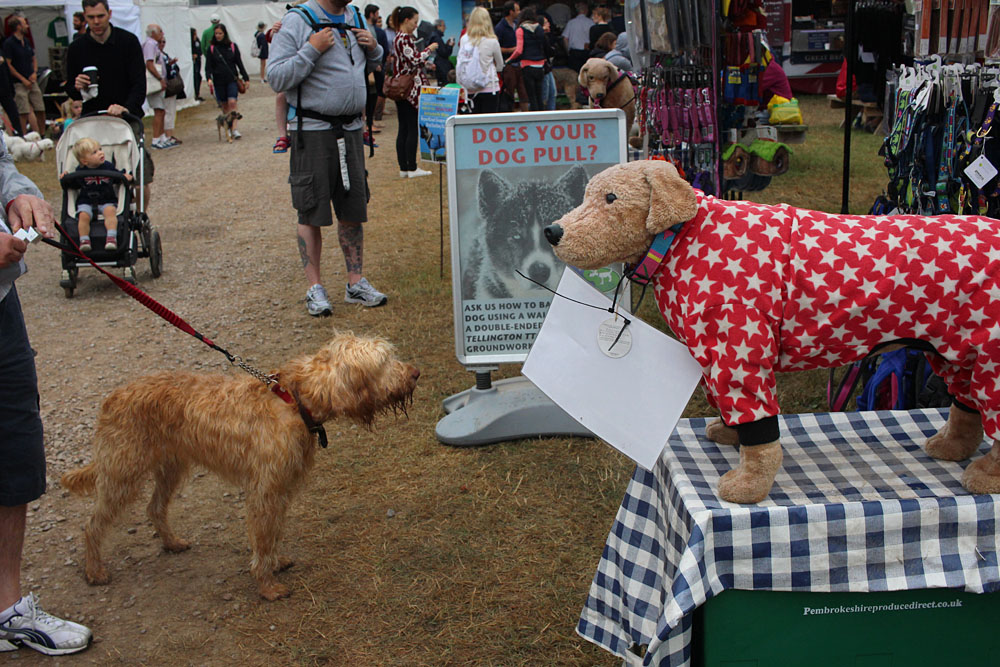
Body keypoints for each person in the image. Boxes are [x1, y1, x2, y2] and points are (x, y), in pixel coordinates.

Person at [0, 136, 93, 657]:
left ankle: (8, 611)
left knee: (15, 448)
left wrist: (19, 194)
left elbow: (0, 160)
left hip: (2, 302)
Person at [267, 0, 389, 315]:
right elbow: (276, 78)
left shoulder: (356, 15)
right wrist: (311, 49)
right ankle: (315, 288)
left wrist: (374, 48)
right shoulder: (297, 21)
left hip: (351, 129)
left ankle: (355, 282)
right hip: (313, 131)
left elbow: (373, 63)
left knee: (353, 208)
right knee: (310, 210)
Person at [65, 0, 152, 212]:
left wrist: (125, 108)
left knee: (141, 174)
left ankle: (140, 217)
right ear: (84, 17)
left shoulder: (128, 41)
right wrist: (76, 86)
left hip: (126, 118)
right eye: (91, 17)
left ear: (109, 14)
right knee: (92, 170)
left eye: (100, 16)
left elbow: (139, 84)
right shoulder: (77, 48)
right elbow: (70, 89)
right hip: (92, 119)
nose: (96, 22)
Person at [62, 137, 131, 252]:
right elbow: (74, 185)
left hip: (106, 199)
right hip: (86, 201)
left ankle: (111, 238)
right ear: (85, 161)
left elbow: (116, 178)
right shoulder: (79, 171)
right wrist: (66, 178)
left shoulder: (108, 166)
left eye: (100, 149)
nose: (100, 153)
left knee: (110, 212)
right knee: (83, 216)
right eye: (95, 152)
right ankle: (84, 240)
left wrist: (125, 177)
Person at [390, 6, 435, 178]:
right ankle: (411, 166)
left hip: (402, 88)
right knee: (411, 128)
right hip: (410, 90)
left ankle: (404, 167)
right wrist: (429, 49)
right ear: (406, 20)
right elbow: (415, 59)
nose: (416, 25)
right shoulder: (404, 39)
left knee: (403, 128)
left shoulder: (398, 38)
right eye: (415, 21)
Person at [3, 16, 44, 137]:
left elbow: (33, 57)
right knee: (24, 111)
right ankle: (23, 136)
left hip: (32, 80)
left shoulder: (26, 41)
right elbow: (8, 65)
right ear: (18, 27)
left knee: (40, 108)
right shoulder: (9, 44)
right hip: (19, 83)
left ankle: (42, 134)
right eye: (24, 24)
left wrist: (34, 72)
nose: (27, 26)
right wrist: (22, 79)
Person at [206, 23, 249, 140]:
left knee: (232, 102)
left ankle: (235, 129)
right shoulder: (211, 49)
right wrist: (208, 78)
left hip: (231, 79)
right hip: (218, 80)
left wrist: (246, 78)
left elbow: (239, 63)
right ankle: (228, 127)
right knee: (224, 105)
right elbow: (208, 66)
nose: (218, 36)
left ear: (224, 34)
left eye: (220, 33)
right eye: (216, 34)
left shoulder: (232, 46)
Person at [457, 7, 503, 114]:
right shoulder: (492, 41)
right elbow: (500, 65)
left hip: (470, 88)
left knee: (473, 124)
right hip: (490, 87)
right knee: (489, 125)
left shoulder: (464, 39)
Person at [505, 6, 547, 111]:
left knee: (531, 97)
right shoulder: (539, 29)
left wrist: (509, 60)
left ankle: (534, 120)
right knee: (539, 96)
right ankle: (542, 118)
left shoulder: (520, 30)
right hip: (540, 65)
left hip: (527, 66)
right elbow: (544, 46)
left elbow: (519, 50)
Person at [142, 24, 172, 150]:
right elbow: (149, 63)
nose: (162, 33)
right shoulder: (150, 44)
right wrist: (160, 79)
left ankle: (161, 137)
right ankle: (155, 139)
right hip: (154, 82)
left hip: (158, 81)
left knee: (162, 110)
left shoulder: (154, 45)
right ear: (153, 33)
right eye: (160, 31)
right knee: (158, 111)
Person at [495, 1, 527, 112]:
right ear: (511, 12)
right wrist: (512, 50)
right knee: (509, 92)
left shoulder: (518, 25)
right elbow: (496, 47)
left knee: (524, 93)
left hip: (520, 64)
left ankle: (527, 116)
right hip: (508, 65)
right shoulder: (500, 28)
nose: (519, 12)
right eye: (517, 10)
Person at [563, 1, 593, 71]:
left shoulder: (571, 23)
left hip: (574, 52)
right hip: (587, 52)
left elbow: (565, 38)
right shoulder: (591, 23)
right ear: (586, 10)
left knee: (573, 74)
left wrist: (568, 51)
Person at [0, 50, 22, 137]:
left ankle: (19, 137)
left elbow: (7, 71)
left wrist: (11, 89)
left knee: (14, 116)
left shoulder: (1, 51)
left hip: (6, 90)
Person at [428, 19, 454, 86]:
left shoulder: (433, 36)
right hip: (441, 66)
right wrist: (450, 46)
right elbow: (444, 53)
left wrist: (446, 45)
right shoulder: (436, 38)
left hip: (437, 64)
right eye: (444, 26)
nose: (445, 28)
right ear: (438, 26)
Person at [190, 28, 203, 101]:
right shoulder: (189, 42)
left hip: (197, 60)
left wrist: (197, 54)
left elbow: (200, 50)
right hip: (193, 62)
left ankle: (197, 93)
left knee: (198, 76)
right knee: (195, 77)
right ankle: (195, 94)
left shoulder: (197, 41)